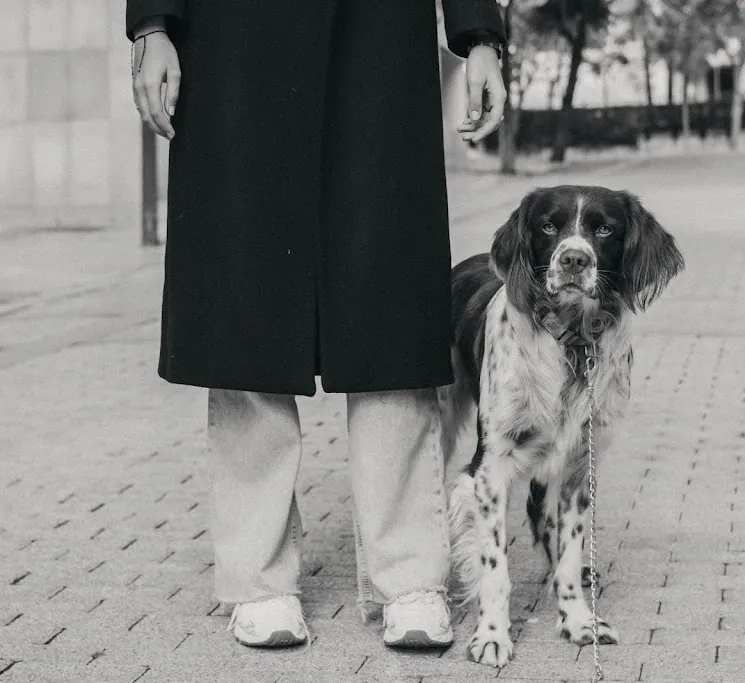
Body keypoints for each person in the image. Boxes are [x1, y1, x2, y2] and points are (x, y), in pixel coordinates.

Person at [125, 0, 507, 650]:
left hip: (381, 30)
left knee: (389, 295)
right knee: (245, 299)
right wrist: (153, 23)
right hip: (234, 36)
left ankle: (410, 574)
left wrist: (480, 35)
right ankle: (257, 578)